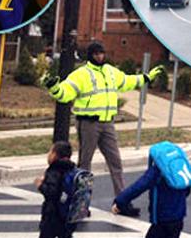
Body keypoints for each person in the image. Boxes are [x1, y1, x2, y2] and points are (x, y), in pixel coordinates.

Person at [41, 41, 163, 217]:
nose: (100, 56)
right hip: (88, 124)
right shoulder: (81, 74)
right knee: (85, 166)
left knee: (116, 163)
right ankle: (80, 205)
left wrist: (146, 78)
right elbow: (66, 93)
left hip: (108, 124)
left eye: (102, 53)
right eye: (96, 53)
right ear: (90, 55)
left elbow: (127, 81)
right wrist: (55, 88)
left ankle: (122, 202)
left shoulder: (110, 72)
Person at [29, 141, 88, 238]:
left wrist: (41, 185)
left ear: (55, 155)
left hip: (52, 215)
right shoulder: (72, 169)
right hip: (67, 215)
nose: (48, 155)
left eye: (50, 152)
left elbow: (51, 193)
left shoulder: (54, 171)